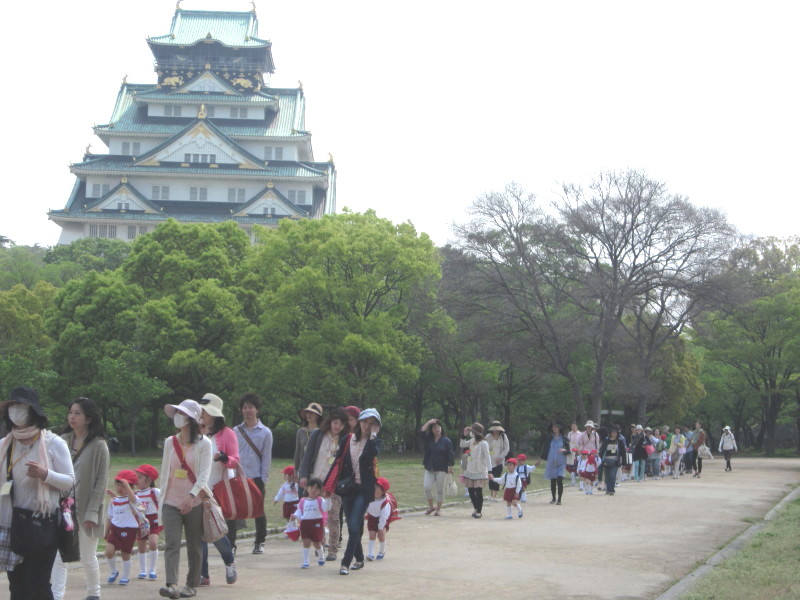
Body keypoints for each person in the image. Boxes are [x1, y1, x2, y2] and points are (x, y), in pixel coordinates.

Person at [0, 386, 75, 600]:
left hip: (41, 523)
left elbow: (70, 482)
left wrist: (45, 474)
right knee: (17, 586)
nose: (16, 411)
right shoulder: (5, 444)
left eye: (21, 406)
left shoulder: (53, 443)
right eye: (12, 406)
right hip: (11, 524)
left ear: (33, 411)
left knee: (38, 585)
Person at [51, 397, 110, 600]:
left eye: (77, 413)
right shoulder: (62, 440)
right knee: (59, 555)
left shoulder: (99, 445)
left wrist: (92, 512)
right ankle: (56, 595)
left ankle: (94, 594)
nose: (72, 416)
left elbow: (101, 482)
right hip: (63, 508)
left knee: (87, 556)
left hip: (85, 509)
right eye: (70, 412)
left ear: (89, 418)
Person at [158, 399, 212, 600]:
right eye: (177, 413)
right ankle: (172, 584)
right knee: (171, 543)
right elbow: (165, 472)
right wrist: (161, 499)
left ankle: (191, 584)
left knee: (194, 545)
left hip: (194, 502)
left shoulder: (204, 444)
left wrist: (192, 496)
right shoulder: (169, 442)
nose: (178, 417)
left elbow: (204, 474)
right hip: (170, 501)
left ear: (192, 419)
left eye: (182, 413)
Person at [324, 408, 382, 575]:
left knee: (355, 524)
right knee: (352, 526)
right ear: (359, 422)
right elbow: (337, 462)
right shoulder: (348, 439)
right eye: (365, 422)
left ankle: (345, 563)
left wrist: (373, 435)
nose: (367, 426)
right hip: (347, 488)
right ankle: (360, 558)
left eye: (372, 423)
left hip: (364, 490)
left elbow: (371, 453)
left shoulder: (375, 442)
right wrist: (327, 485)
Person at [298, 407, 350, 562]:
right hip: (315, 481)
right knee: (317, 516)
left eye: (341, 424)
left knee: (333, 516)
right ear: (330, 421)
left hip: (333, 483)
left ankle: (333, 549)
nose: (337, 426)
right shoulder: (318, 434)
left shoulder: (345, 439)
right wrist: (303, 475)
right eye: (335, 422)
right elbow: (307, 455)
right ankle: (320, 545)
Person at [197, 393, 238, 586]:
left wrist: (223, 457)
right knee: (199, 533)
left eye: (205, 411)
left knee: (216, 531)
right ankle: (203, 573)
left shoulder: (227, 433)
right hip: (197, 489)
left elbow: (235, 460)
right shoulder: (196, 431)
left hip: (216, 489)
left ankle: (229, 562)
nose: (202, 414)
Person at [234, 392, 272, 555]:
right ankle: (231, 543)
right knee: (234, 510)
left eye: (251, 407)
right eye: (245, 407)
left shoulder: (265, 432)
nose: (248, 410)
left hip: (256, 477)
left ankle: (260, 541)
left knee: (259, 510)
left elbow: (267, 457)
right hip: (238, 477)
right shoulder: (236, 431)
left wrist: (263, 478)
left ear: (257, 410)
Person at [104, 470, 144, 586]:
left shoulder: (132, 500)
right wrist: (106, 532)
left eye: (123, 486)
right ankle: (113, 571)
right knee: (109, 552)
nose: (119, 488)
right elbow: (110, 517)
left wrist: (127, 485)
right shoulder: (114, 501)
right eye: (117, 485)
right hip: (115, 529)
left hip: (129, 530)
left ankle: (125, 576)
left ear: (131, 487)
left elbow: (135, 500)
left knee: (125, 554)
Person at [291, 477, 330, 569]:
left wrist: (328, 498)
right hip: (305, 524)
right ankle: (305, 561)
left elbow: (326, 508)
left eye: (316, 488)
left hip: (317, 524)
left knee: (317, 543)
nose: (313, 490)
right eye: (311, 487)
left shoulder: (320, 500)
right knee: (306, 542)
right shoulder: (303, 501)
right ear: (307, 488)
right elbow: (300, 511)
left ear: (320, 490)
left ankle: (321, 556)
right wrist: (295, 516)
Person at [419, 418, 454, 516]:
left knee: (440, 489)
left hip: (442, 469)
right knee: (427, 487)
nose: (436, 429)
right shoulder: (429, 439)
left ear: (441, 428)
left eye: (438, 427)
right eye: (434, 428)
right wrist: (429, 422)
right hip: (430, 468)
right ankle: (431, 507)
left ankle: (438, 509)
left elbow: (450, 454)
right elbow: (421, 432)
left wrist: (451, 466)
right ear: (431, 430)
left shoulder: (446, 441)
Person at [133, 465, 162, 580]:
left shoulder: (155, 492)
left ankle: (152, 569)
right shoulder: (136, 494)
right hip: (141, 522)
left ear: (149, 480)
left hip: (154, 522)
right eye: (136, 477)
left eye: (140, 477)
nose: (137, 480)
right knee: (141, 546)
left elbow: (163, 503)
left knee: (153, 543)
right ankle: (143, 570)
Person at [459, 422, 492, 519]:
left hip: (480, 470)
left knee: (478, 491)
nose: (471, 432)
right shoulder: (472, 440)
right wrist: (464, 435)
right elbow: (462, 444)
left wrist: (490, 471)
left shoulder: (484, 443)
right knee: (471, 491)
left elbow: (488, 457)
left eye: (472, 431)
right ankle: (475, 508)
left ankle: (479, 511)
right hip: (470, 469)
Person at [536, 422, 570, 505]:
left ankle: (559, 499)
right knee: (553, 480)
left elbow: (568, 451)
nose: (554, 428)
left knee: (559, 480)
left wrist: (564, 450)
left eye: (556, 427)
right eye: (553, 427)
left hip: (561, 462)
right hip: (551, 461)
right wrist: (540, 460)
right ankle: (554, 498)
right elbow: (545, 449)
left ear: (559, 428)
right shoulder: (550, 438)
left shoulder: (564, 438)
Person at [294, 403, 323, 496]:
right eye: (307, 412)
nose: (309, 415)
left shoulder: (322, 432)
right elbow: (298, 452)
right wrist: (296, 470)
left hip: (317, 470)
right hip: (303, 471)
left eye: (312, 413)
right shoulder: (301, 432)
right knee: (302, 498)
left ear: (318, 416)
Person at [365, 477, 394, 560]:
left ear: (382, 491)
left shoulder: (385, 503)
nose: (373, 489)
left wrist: (380, 528)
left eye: (376, 488)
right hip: (372, 517)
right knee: (372, 535)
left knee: (381, 536)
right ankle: (370, 554)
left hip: (382, 520)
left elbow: (384, 517)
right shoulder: (369, 497)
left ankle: (381, 551)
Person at [486, 421, 510, 501]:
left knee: (497, 477)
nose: (495, 431)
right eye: (494, 430)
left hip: (499, 461)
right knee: (490, 477)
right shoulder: (488, 436)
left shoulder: (503, 437)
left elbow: (506, 448)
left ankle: (495, 495)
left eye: (497, 430)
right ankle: (491, 494)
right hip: (490, 461)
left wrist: (501, 457)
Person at [599, 426, 627, 495]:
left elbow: (623, 452)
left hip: (615, 461)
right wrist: (600, 459)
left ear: (617, 433)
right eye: (612, 432)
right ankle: (608, 489)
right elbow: (602, 450)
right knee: (607, 476)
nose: (614, 434)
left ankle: (611, 490)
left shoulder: (620, 441)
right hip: (606, 461)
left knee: (612, 476)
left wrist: (624, 462)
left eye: (615, 432)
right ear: (610, 433)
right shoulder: (606, 440)